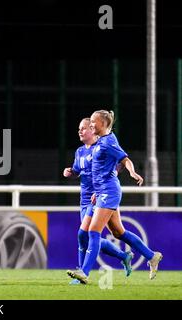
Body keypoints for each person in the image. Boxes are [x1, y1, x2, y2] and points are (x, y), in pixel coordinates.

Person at [67, 110, 163, 284]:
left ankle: (84, 273)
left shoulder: (108, 142)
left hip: (108, 192)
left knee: (92, 232)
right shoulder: (100, 142)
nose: (91, 125)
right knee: (118, 232)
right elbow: (103, 168)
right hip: (100, 192)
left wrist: (132, 172)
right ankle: (151, 255)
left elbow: (125, 159)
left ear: (103, 125)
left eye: (93, 123)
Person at [63, 118, 134, 285]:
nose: (80, 131)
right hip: (85, 198)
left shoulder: (101, 147)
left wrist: (112, 176)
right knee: (92, 235)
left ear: (92, 130)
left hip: (100, 196)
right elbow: (77, 171)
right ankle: (124, 256)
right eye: (78, 129)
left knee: (87, 234)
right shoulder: (80, 151)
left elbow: (120, 162)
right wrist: (70, 172)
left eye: (83, 128)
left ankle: (83, 273)